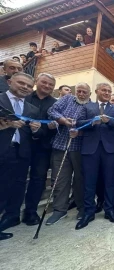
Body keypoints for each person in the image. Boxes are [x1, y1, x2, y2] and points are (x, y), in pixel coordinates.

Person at [75, 83, 114, 230]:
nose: (107, 93)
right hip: (90, 149)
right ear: (96, 92)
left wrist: (109, 121)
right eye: (104, 90)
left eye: (109, 91)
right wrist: (92, 122)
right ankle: (88, 212)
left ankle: (109, 210)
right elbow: (78, 123)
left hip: (111, 150)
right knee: (89, 182)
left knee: (110, 181)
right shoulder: (87, 107)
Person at [0, 72, 42, 240]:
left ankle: (11, 216)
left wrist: (36, 130)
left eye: (28, 86)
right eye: (21, 83)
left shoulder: (32, 109)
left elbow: (35, 136)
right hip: (2, 149)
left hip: (21, 153)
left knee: (17, 186)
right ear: (10, 81)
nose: (25, 87)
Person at [45, 83, 91, 225]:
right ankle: (59, 210)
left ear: (89, 94)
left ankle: (82, 207)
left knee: (80, 179)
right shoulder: (66, 99)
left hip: (79, 148)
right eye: (79, 91)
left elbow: (92, 126)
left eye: (84, 92)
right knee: (60, 179)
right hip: (60, 145)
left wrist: (80, 130)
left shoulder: (91, 106)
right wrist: (63, 120)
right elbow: (52, 111)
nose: (81, 94)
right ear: (75, 91)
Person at [21, 73, 57, 226]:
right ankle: (11, 211)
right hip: (22, 144)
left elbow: (57, 124)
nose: (47, 86)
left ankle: (30, 211)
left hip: (43, 147)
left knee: (38, 179)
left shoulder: (55, 104)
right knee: (17, 178)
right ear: (37, 82)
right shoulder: (25, 98)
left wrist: (55, 125)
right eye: (44, 82)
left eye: (50, 84)